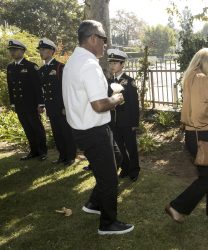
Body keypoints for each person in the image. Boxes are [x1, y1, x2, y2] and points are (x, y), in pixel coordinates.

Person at [62, 20, 133, 235]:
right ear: (93, 38)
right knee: (109, 178)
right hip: (93, 130)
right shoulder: (89, 64)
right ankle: (108, 223)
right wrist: (117, 98)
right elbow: (100, 104)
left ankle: (93, 203)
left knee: (118, 158)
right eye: (104, 39)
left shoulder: (73, 60)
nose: (105, 44)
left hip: (86, 128)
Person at [165, 48, 208, 223]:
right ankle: (177, 207)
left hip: (197, 133)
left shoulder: (192, 76)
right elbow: (201, 112)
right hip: (204, 134)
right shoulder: (200, 78)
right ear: (207, 63)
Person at [37, 38, 76, 166]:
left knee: (66, 132)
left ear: (51, 51)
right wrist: (42, 104)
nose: (41, 52)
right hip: (51, 107)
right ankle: (62, 155)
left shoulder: (60, 67)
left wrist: (66, 106)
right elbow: (42, 89)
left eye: (43, 50)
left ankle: (70, 156)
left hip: (62, 107)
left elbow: (67, 88)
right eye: (40, 50)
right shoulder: (42, 70)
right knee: (57, 133)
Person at [6, 39, 47, 161]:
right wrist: (12, 102)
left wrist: (41, 103)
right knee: (27, 128)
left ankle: (42, 152)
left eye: (15, 50)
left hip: (31, 104)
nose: (12, 52)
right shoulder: (10, 67)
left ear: (22, 51)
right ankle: (33, 151)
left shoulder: (31, 66)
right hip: (19, 104)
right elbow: (10, 87)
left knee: (37, 128)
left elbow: (37, 87)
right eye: (11, 50)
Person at [107, 49, 140, 181]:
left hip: (127, 121)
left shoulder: (129, 81)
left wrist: (134, 123)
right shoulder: (109, 81)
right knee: (119, 147)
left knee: (131, 147)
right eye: (111, 63)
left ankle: (134, 170)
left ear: (122, 64)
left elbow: (134, 104)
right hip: (114, 121)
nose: (112, 65)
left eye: (115, 62)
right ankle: (125, 168)